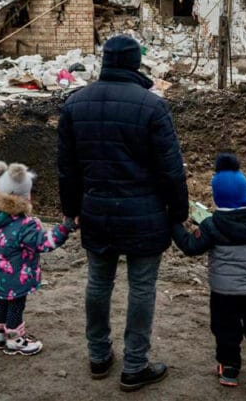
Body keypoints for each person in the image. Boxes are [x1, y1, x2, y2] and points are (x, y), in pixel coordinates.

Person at [57, 34, 189, 392]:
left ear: (105, 62)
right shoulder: (152, 106)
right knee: (142, 287)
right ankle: (135, 365)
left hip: (96, 210)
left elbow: (67, 169)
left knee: (99, 283)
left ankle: (99, 356)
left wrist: (71, 211)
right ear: (134, 63)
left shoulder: (74, 104)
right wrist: (178, 213)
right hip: (145, 214)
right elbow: (171, 169)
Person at [171, 153, 246, 387]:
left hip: (223, 293)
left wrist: (174, 227)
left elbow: (191, 247)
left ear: (217, 196)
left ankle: (229, 368)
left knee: (225, 329)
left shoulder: (212, 225)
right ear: (245, 194)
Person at [0, 161, 76, 356]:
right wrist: (65, 227)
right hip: (18, 274)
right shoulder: (25, 225)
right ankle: (15, 340)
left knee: (2, 299)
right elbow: (44, 243)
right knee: (16, 304)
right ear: (20, 198)